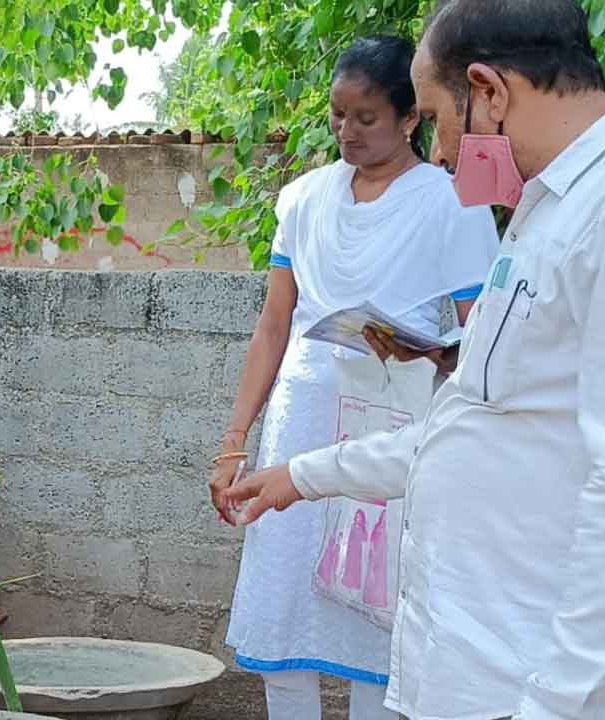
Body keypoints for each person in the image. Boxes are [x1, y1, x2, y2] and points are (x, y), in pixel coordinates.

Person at [227, 1, 605, 718]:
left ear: (488, 91)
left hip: (539, 685)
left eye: (436, 116)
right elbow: (470, 427)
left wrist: (558, 703)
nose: (444, 152)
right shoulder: (544, 215)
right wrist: (303, 475)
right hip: (470, 666)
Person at [212, 35, 499, 720]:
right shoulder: (302, 200)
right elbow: (273, 326)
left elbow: (483, 336)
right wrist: (234, 439)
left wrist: (430, 353)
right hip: (300, 421)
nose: (348, 131)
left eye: (366, 117)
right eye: (338, 116)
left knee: (378, 612)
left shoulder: (450, 202)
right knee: (280, 605)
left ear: (410, 118)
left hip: (393, 426)